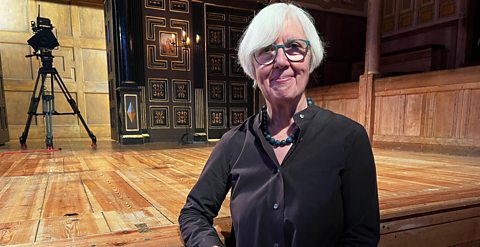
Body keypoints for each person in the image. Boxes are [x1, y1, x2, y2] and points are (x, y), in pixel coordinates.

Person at [179, 2, 380, 247]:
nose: (281, 61)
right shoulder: (234, 142)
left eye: (294, 47)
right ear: (252, 66)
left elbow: (361, 236)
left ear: (311, 57)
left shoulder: (349, 138)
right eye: (266, 50)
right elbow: (194, 213)